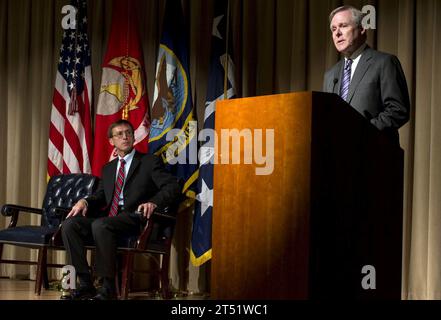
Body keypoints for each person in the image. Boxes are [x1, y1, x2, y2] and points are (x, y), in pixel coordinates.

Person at [61, 119, 181, 300]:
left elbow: (172, 186)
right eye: (119, 134)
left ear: (133, 137)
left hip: (135, 217)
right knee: (70, 225)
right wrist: (84, 201)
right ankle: (85, 284)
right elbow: (102, 194)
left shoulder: (149, 161)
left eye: (128, 133)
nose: (125, 136)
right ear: (111, 141)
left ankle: (108, 287)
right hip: (109, 218)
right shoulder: (108, 168)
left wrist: (153, 202)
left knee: (101, 225)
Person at [323, 5, 410, 144]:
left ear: (362, 28)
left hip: (374, 154)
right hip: (337, 157)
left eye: (343, 26)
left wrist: (362, 131)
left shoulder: (384, 62)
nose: (337, 33)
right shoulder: (330, 75)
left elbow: (398, 110)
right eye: (333, 29)